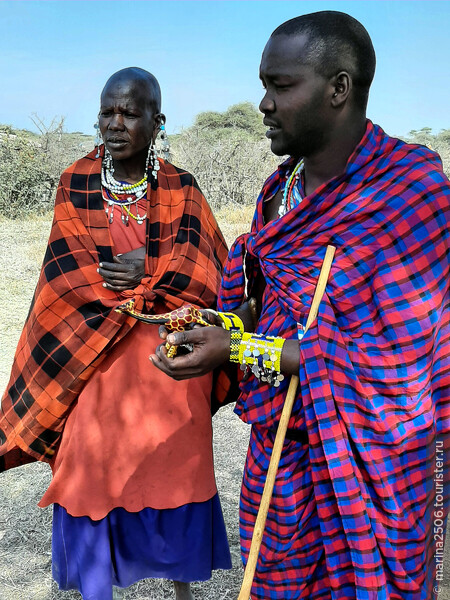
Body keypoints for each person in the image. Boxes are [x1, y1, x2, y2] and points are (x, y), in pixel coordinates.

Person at [151, 12, 450, 600]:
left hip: (373, 460)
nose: (263, 103)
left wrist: (238, 348)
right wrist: (222, 327)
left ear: (339, 88)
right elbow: (263, 308)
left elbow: (397, 363)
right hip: (283, 454)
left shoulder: (411, 197)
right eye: (264, 85)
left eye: (280, 86)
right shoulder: (277, 193)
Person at [0, 67, 232, 600]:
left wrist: (147, 266)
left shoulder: (183, 189)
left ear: (157, 120)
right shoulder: (75, 182)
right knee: (90, 476)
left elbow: (211, 276)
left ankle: (183, 592)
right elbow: (68, 276)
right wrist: (143, 273)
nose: (116, 122)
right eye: (108, 111)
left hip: (170, 367)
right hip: (93, 363)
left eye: (129, 112)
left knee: (177, 474)